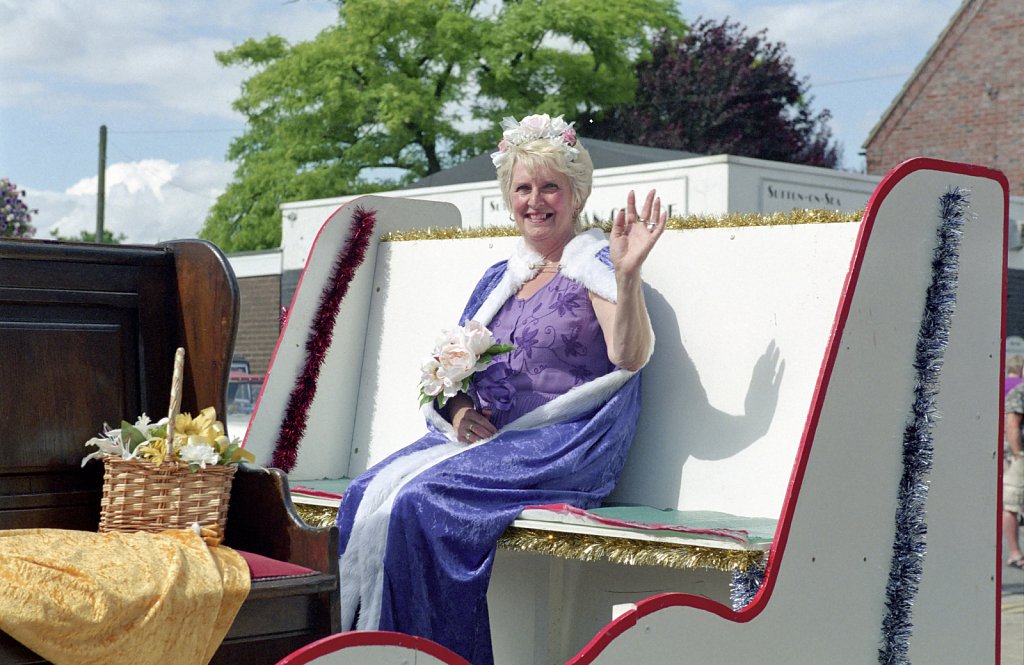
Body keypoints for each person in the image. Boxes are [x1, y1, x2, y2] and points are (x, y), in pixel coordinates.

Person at [334, 113, 666, 664]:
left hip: (560, 444)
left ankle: (434, 656)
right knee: (363, 493)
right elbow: (451, 367)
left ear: (577, 194)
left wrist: (628, 276)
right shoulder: (501, 276)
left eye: (550, 187)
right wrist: (460, 412)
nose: (535, 201)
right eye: (523, 188)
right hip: (483, 445)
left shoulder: (598, 265)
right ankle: (369, 650)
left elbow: (628, 357)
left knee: (420, 502)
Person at [1004, 355, 1024, 570]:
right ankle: (1015, 553)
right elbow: (1012, 424)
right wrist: (1018, 455)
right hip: (1018, 457)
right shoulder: (1020, 391)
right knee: (1012, 503)